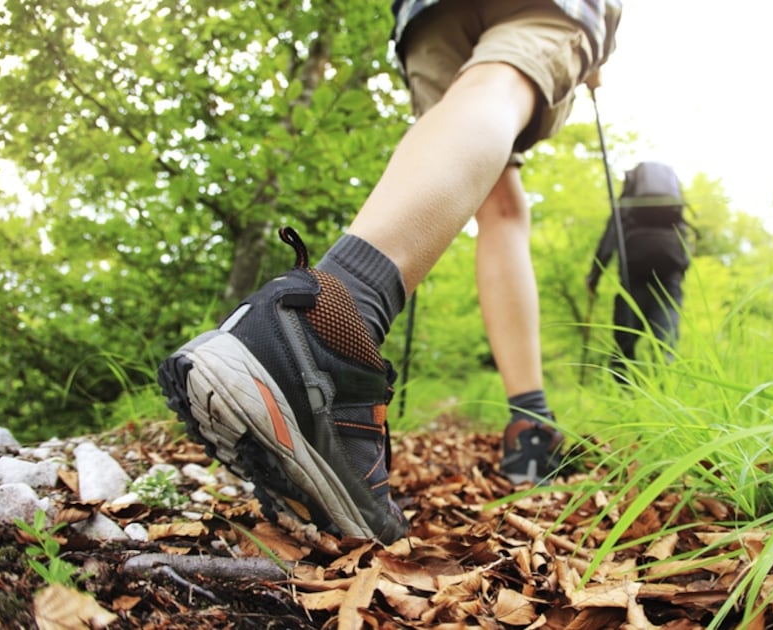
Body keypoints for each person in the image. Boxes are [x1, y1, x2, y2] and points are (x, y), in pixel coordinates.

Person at [158, 0, 621, 544]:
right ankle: (327, 323)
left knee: (500, 201)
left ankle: (530, 427)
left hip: (424, 16)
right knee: (500, 83)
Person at [585, 161, 691, 380]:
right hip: (669, 280)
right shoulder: (673, 211)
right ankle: (666, 396)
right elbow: (685, 246)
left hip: (633, 277)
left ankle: (623, 396)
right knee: (666, 342)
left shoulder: (627, 208)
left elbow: (609, 240)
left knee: (625, 342)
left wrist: (594, 277)